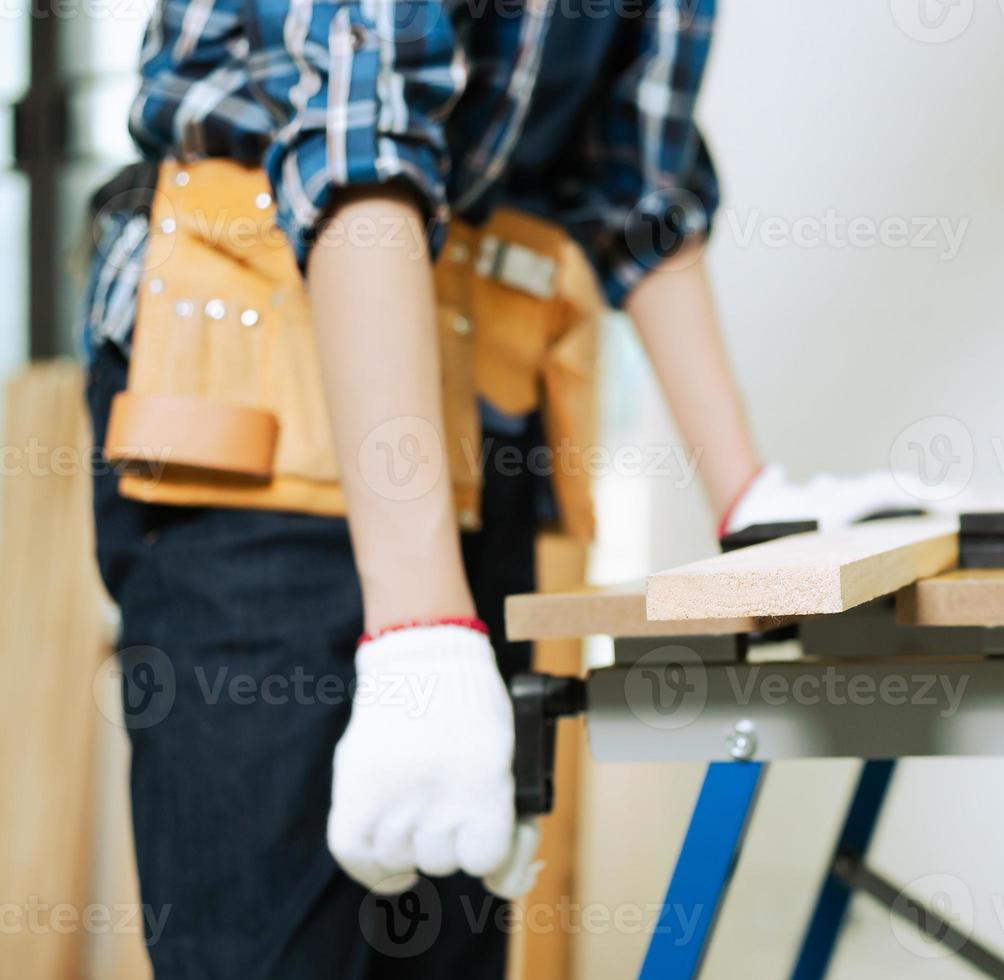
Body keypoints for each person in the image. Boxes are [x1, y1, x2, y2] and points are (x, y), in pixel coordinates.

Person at [80, 0, 940, 974]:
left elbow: (637, 187)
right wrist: (420, 635)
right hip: (255, 384)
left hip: (469, 395)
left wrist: (751, 496)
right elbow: (356, 137)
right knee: (274, 937)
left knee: (449, 917)